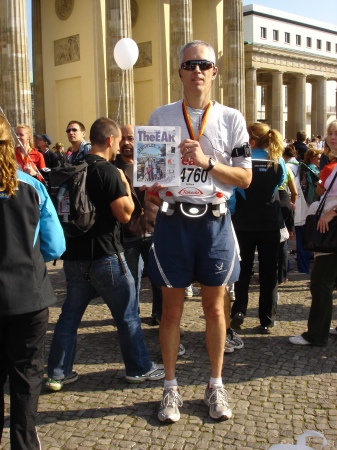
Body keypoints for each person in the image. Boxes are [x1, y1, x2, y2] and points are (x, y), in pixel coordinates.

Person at [146, 40, 252, 422]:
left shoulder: (231, 118)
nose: (197, 71)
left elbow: (245, 176)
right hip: (174, 221)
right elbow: (151, 181)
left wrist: (206, 162)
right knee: (171, 312)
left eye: (204, 64)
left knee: (214, 310)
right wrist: (153, 185)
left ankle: (216, 384)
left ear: (214, 72)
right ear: (180, 72)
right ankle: (170, 389)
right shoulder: (160, 116)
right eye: (190, 64)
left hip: (214, 220)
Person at [46, 117, 164, 392]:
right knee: (127, 317)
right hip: (106, 255)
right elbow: (125, 215)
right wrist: (123, 181)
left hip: (74, 257)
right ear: (111, 140)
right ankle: (139, 368)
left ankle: (57, 373)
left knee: (69, 317)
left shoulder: (72, 167)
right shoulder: (109, 172)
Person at [0, 115, 66, 449]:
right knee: (26, 380)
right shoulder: (33, 186)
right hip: (29, 294)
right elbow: (56, 246)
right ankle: (24, 443)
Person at [114, 124, 186, 356]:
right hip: (129, 232)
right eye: (123, 138)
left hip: (156, 229)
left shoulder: (155, 163)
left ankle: (162, 319)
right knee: (130, 283)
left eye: (131, 138)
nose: (127, 142)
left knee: (161, 282)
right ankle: (131, 327)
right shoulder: (114, 169)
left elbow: (167, 196)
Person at [230, 123, 287, 333]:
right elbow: (278, 185)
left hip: (244, 223)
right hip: (270, 223)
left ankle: (239, 310)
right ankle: (267, 318)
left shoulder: (242, 163)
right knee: (269, 272)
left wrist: (234, 212)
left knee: (243, 270)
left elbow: (235, 193)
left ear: (251, 140)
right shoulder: (278, 161)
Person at [289, 120, 337, 346]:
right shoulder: (333, 162)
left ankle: (317, 334)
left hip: (332, 226)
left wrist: (332, 213)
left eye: (336, 133)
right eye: (330, 133)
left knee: (321, 281)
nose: (332, 137)